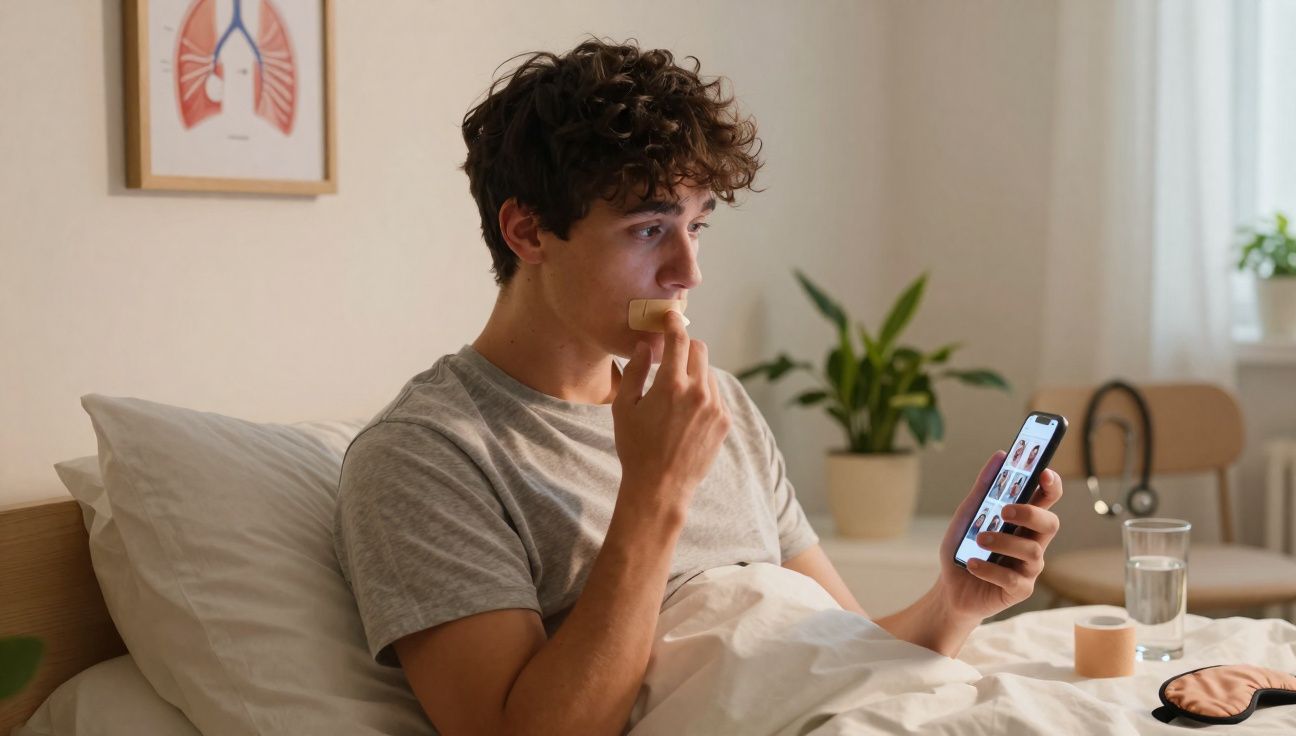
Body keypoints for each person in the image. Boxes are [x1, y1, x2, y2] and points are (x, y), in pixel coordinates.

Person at [331, 37, 1064, 736]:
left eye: (697, 226)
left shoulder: (716, 404)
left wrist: (955, 605)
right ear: (528, 233)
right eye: (649, 230)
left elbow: (840, 656)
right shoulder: (424, 457)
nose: (688, 271)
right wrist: (655, 488)